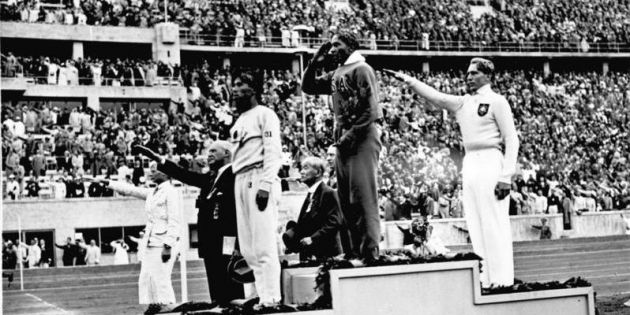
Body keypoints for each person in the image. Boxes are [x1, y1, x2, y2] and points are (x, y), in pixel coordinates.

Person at [386, 57, 519, 288]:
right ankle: (485, 277)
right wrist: (408, 80)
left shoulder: (498, 102)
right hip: (470, 162)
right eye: (467, 74)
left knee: (493, 221)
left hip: (490, 159)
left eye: (474, 73)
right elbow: (435, 96)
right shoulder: (463, 102)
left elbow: (511, 138)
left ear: (487, 76)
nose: (468, 77)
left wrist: (506, 175)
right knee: (475, 222)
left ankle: (503, 279)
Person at [302, 31, 383, 262]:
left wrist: (347, 137)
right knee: (346, 200)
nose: (332, 50)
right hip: (344, 140)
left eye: (337, 45)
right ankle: (353, 251)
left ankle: (370, 253)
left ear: (350, 46)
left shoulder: (361, 69)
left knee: (363, 197)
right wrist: (314, 62)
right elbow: (308, 87)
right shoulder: (338, 72)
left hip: (362, 138)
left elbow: (370, 110)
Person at [133, 141, 244, 308]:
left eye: (214, 150)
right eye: (208, 151)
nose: (209, 154)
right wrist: (160, 160)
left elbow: (237, 212)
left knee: (232, 291)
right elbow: (185, 175)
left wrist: (235, 244)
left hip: (226, 242)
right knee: (217, 292)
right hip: (210, 243)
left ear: (227, 153)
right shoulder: (211, 177)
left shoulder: (235, 175)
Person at [96, 161, 184, 315]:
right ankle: (155, 306)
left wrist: (168, 246)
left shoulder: (171, 192)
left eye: (154, 170)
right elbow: (131, 190)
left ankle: (170, 310)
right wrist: (108, 183)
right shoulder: (153, 192)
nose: (150, 172)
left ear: (165, 173)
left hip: (163, 242)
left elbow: (175, 221)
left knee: (161, 278)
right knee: (147, 276)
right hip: (150, 241)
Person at [229, 70, 285, 311]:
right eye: (234, 84)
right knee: (249, 247)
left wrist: (266, 184)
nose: (235, 88)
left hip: (257, 175)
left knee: (263, 243)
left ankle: (272, 298)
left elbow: (273, 151)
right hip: (239, 178)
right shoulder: (239, 120)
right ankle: (261, 296)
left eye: (241, 84)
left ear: (253, 89)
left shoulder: (265, 114)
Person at [283, 157, 344, 261]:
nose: (301, 172)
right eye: (301, 168)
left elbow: (334, 222)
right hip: (312, 255)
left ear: (318, 172)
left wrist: (313, 238)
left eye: (306, 168)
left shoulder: (329, 193)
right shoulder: (310, 194)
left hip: (328, 255)